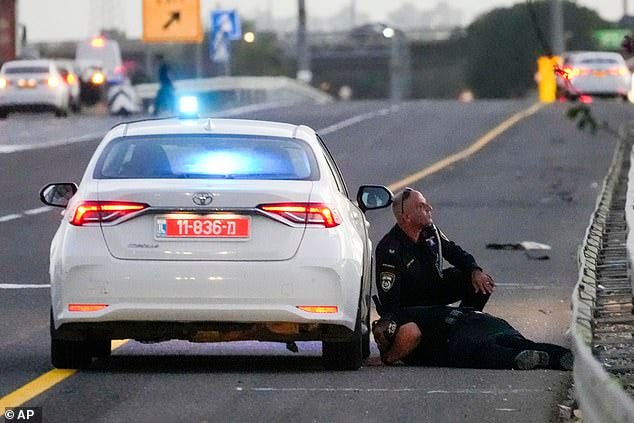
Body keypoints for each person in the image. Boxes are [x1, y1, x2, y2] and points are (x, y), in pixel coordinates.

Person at [374, 188, 495, 322]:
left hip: (433, 290)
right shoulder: (390, 249)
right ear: (407, 217)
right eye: (421, 206)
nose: (429, 208)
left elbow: (453, 252)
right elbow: (390, 302)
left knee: (482, 283)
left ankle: (462, 324)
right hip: (411, 308)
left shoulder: (430, 231)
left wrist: (474, 270)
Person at [372, 306, 573, 371]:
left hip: (460, 332)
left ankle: (515, 358)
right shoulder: (412, 312)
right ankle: (563, 358)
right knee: (521, 342)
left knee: (483, 354)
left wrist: (388, 359)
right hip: (484, 320)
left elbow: (412, 334)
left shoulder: (397, 320)